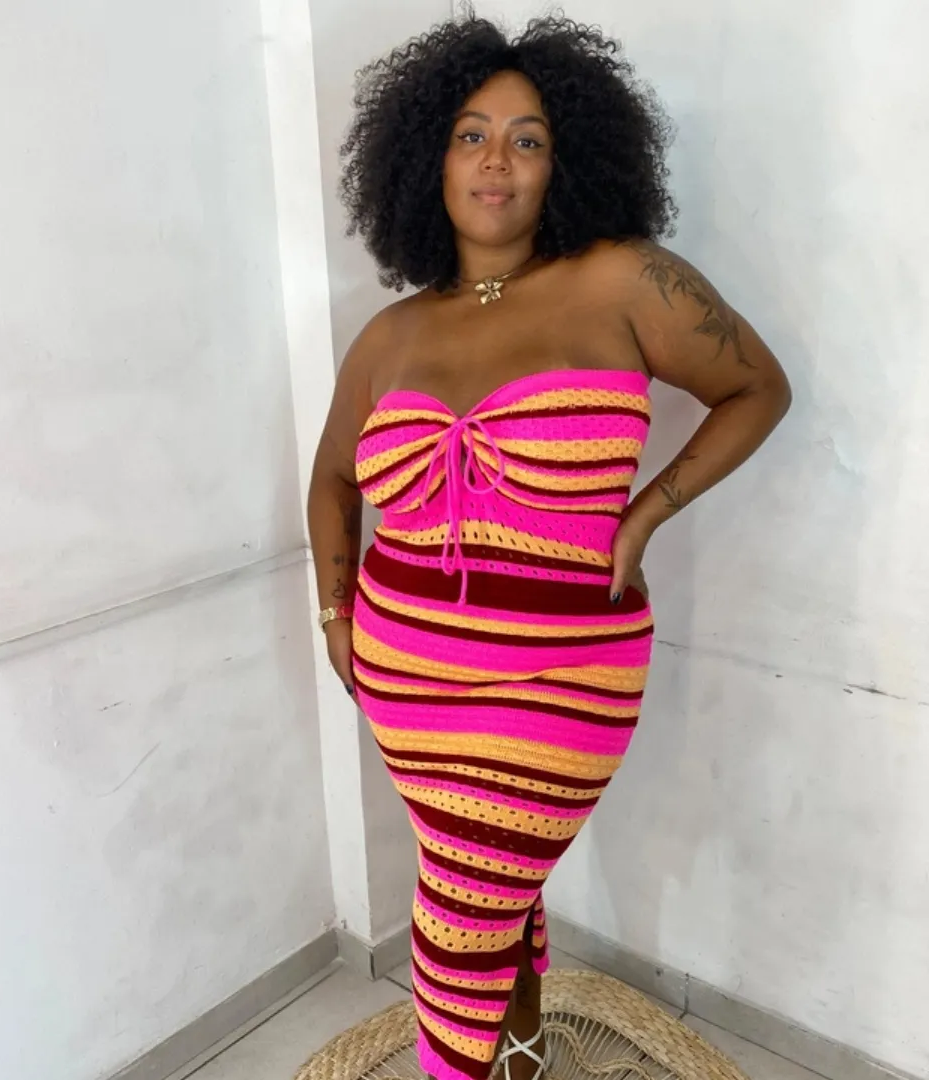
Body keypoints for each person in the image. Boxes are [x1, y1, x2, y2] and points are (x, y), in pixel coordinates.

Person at [307, 14, 791, 1080]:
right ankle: (520, 1052)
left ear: (565, 162)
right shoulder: (390, 335)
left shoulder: (623, 281)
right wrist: (338, 615)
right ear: (426, 158)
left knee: (459, 912)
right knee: (487, 876)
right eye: (471, 135)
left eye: (528, 139)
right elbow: (332, 480)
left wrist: (646, 512)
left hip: (560, 676)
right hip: (405, 676)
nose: (497, 160)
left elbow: (756, 388)